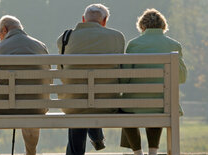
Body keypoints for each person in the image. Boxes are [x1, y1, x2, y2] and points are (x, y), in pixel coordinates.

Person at [56, 4, 125, 155]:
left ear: (83, 19)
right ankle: (97, 137)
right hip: (107, 104)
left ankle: (84, 147)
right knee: (91, 96)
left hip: (73, 103)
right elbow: (120, 70)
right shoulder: (117, 37)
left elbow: (61, 72)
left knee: (78, 100)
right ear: (105, 20)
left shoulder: (65, 38)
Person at [119, 8, 187, 155]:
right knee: (160, 102)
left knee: (124, 108)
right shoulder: (174, 45)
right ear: (163, 26)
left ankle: (137, 152)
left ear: (142, 26)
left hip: (134, 106)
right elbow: (181, 78)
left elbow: (124, 79)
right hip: (163, 105)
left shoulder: (133, 45)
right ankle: (153, 152)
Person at [0, 15, 51, 155]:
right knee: (33, 101)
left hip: (3, 109)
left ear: (4, 30)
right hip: (36, 108)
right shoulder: (40, 46)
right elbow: (47, 81)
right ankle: (31, 152)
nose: (0, 38)